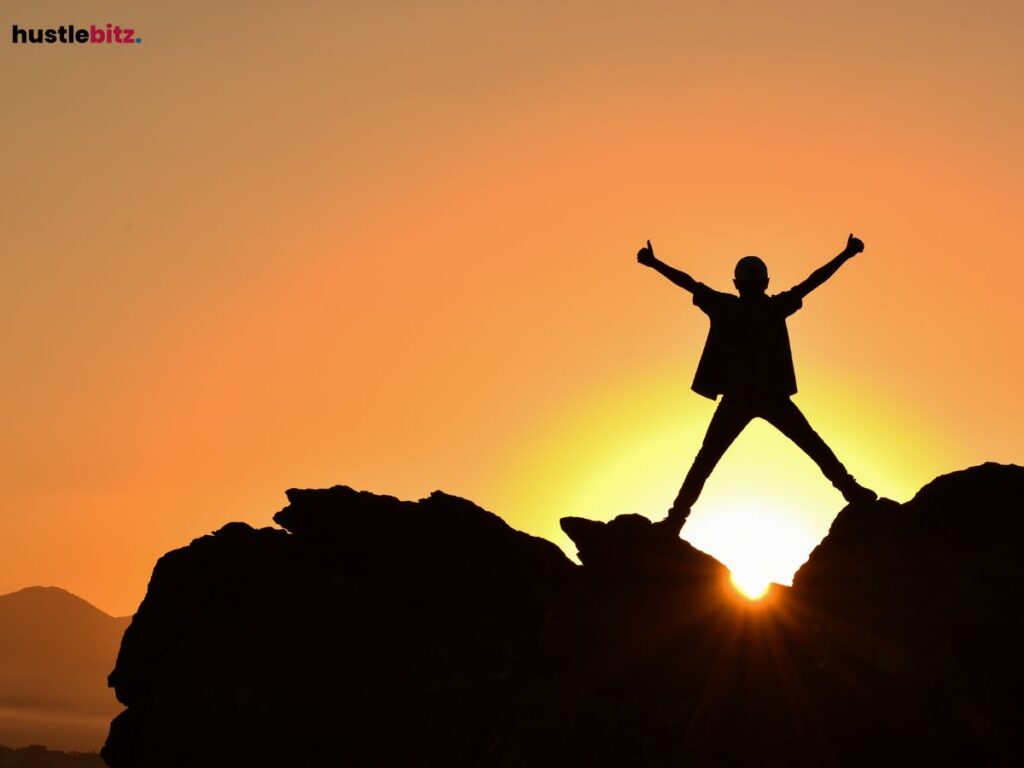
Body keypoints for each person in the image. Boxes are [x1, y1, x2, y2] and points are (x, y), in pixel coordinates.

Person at [637, 234, 877, 535]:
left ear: (736, 284)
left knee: (705, 461)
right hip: (770, 396)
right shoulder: (776, 306)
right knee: (814, 445)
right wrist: (846, 255)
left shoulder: (724, 306)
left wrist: (654, 263)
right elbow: (814, 281)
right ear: (766, 282)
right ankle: (853, 492)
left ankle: (675, 520)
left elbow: (688, 282)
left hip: (739, 398)